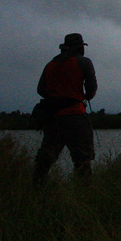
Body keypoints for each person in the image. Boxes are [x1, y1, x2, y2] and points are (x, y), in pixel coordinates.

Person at [33, 33, 98, 186]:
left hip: (52, 116)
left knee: (46, 156)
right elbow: (91, 91)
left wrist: (56, 96)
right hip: (74, 116)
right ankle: (84, 192)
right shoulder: (85, 62)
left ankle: (37, 188)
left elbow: (41, 89)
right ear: (80, 47)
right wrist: (78, 95)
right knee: (82, 158)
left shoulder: (50, 64)